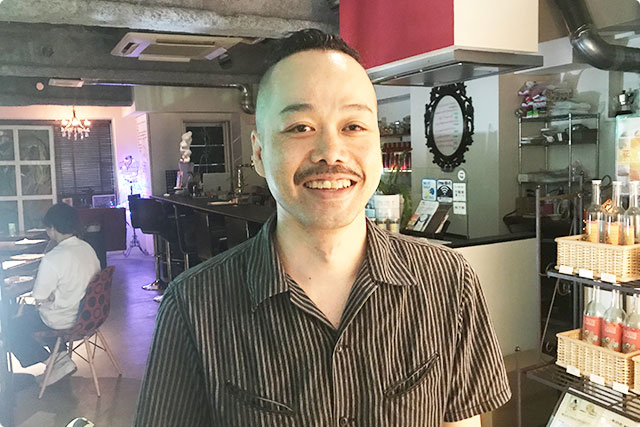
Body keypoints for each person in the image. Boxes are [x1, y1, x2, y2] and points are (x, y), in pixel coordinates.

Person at [135, 29, 510, 426]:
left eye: (354, 126)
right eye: (300, 127)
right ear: (259, 152)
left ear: (377, 145)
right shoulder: (193, 308)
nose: (331, 152)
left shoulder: (449, 282)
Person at [9, 203, 101, 386]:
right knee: (42, 310)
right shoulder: (87, 248)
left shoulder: (53, 258)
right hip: (88, 315)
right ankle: (60, 358)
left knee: (13, 326)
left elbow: (39, 297)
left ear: (52, 228)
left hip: (64, 318)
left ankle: (53, 361)